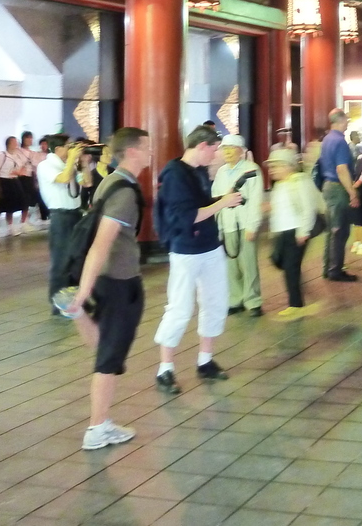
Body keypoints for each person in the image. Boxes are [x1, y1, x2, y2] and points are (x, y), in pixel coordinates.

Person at [65, 127, 150, 451]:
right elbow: (101, 244)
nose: (150, 153)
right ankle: (97, 428)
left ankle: (76, 313)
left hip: (111, 281)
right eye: (147, 147)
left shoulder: (111, 182)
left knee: (106, 348)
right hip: (119, 283)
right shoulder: (124, 193)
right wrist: (84, 289)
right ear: (132, 152)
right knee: (108, 358)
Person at [153, 124, 244, 393]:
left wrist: (225, 199)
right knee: (180, 308)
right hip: (185, 250)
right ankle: (165, 368)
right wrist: (222, 203)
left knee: (215, 303)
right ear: (201, 146)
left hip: (209, 246)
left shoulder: (199, 172)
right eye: (214, 150)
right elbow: (187, 216)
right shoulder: (174, 175)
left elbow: (202, 206)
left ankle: (205, 360)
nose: (216, 155)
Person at [266, 147, 323, 318]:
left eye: (275, 166)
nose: (271, 170)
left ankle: (296, 304)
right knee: (278, 261)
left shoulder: (299, 181)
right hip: (282, 232)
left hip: (295, 231)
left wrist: (303, 231)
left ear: (287, 166)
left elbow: (307, 208)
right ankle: (297, 292)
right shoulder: (280, 184)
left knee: (291, 267)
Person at [212, 135, 264, 317]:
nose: (226, 151)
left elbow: (256, 199)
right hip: (227, 224)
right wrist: (217, 223)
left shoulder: (252, 170)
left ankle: (253, 301)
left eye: (231, 148)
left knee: (248, 263)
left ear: (241, 150)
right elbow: (216, 198)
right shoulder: (221, 172)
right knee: (230, 265)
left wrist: (252, 225)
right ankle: (235, 299)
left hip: (244, 223)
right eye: (224, 148)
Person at [37, 135, 83, 316]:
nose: (71, 149)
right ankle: (58, 303)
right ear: (57, 149)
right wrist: (72, 160)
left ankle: (73, 299)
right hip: (60, 216)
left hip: (75, 214)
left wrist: (83, 163)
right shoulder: (45, 165)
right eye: (68, 146)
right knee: (61, 261)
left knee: (76, 259)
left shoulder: (68, 164)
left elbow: (84, 182)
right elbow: (64, 179)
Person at [317, 109, 359, 281]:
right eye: (347, 119)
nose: (348, 122)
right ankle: (336, 270)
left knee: (332, 230)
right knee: (340, 230)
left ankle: (329, 267)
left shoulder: (327, 139)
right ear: (340, 120)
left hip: (328, 186)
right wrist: (352, 193)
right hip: (337, 187)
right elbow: (341, 169)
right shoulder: (340, 141)